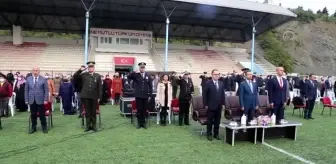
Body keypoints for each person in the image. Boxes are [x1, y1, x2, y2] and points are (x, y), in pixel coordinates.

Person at [73, 61, 102, 132]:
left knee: (93, 112)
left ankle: (94, 126)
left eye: (92, 67)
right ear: (87, 68)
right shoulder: (84, 75)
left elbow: (100, 88)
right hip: (85, 96)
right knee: (87, 112)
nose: (90, 68)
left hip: (94, 96)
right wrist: (80, 70)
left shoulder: (97, 76)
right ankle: (88, 126)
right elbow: (75, 76)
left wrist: (99, 97)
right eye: (89, 67)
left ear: (94, 68)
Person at [127, 62, 153, 129]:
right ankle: (139, 123)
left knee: (144, 110)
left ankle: (143, 123)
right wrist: (134, 72)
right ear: (139, 68)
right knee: (139, 109)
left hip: (145, 95)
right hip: (138, 95)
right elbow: (129, 76)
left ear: (144, 68)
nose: (142, 68)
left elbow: (150, 86)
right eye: (141, 67)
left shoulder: (148, 75)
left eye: (143, 67)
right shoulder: (136, 75)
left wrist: (150, 95)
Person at [24, 67, 49, 134]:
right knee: (33, 114)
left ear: (39, 71)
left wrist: (45, 99)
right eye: (34, 71)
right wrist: (26, 99)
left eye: (36, 71)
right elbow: (26, 90)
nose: (35, 72)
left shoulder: (43, 79)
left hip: (41, 100)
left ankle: (44, 127)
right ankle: (33, 128)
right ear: (32, 71)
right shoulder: (28, 79)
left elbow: (46, 90)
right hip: (31, 100)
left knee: (42, 115)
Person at [202, 69, 225, 141]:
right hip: (210, 105)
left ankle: (216, 134)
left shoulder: (221, 83)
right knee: (210, 121)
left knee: (217, 121)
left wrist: (223, 103)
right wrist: (205, 104)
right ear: (212, 75)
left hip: (219, 106)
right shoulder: (207, 83)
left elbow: (222, 94)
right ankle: (209, 134)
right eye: (215, 74)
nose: (217, 75)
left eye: (218, 74)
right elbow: (204, 94)